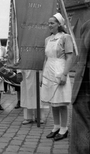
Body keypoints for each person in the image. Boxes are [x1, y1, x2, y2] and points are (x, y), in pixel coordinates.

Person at [41, 13, 73, 141]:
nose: (49, 25)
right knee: (53, 102)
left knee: (61, 102)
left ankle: (64, 129)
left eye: (52, 23)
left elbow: (70, 57)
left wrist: (65, 74)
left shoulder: (66, 37)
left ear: (59, 24)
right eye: (48, 23)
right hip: (49, 70)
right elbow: (46, 58)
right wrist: (43, 74)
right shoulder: (47, 39)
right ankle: (56, 127)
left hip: (60, 68)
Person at [70, 0, 90, 153]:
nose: (86, 0)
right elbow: (79, 56)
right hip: (84, 83)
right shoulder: (86, 26)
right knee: (81, 130)